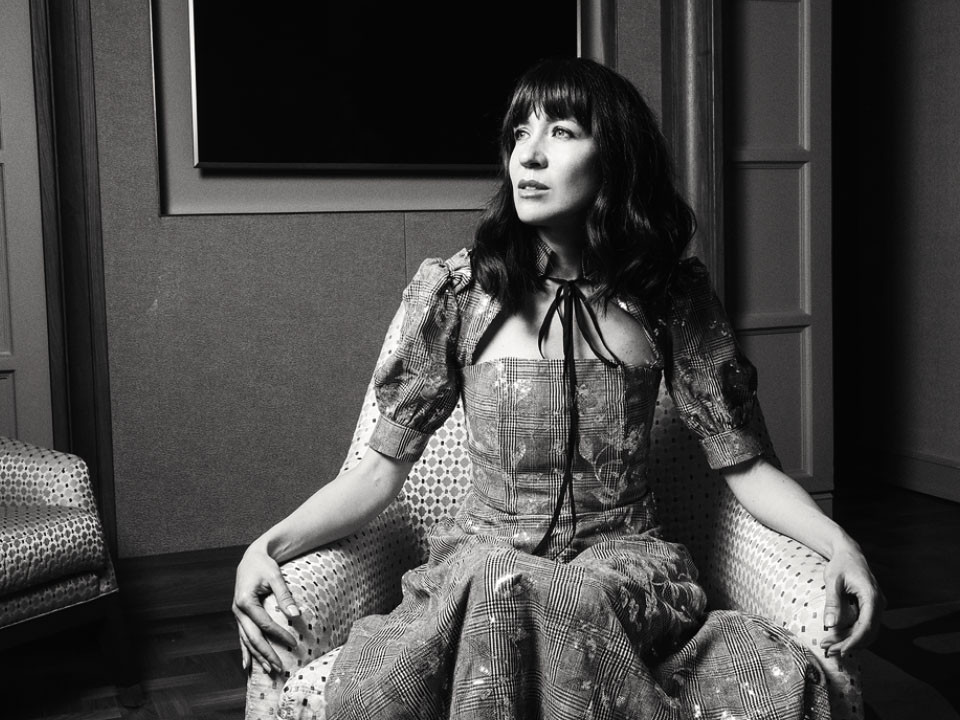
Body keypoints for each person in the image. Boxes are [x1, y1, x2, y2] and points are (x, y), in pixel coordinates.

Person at [234, 57, 882, 719]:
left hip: (623, 573)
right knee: (502, 583)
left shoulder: (669, 298)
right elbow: (375, 474)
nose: (530, 154)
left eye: (562, 131)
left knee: (569, 595)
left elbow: (746, 468)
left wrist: (841, 545)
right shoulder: (461, 295)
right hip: (482, 573)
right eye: (519, 133)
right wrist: (267, 546)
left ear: (616, 156)